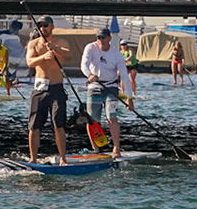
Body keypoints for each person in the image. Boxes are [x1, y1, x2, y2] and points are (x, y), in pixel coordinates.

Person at [81, 26, 135, 156]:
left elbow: (124, 76)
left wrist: (129, 98)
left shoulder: (116, 54)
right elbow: (84, 64)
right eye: (98, 38)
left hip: (111, 88)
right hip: (94, 87)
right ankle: (95, 149)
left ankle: (116, 148)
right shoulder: (90, 48)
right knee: (92, 120)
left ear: (109, 38)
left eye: (103, 38)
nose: (100, 41)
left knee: (112, 117)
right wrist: (89, 75)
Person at [25, 17, 68, 163]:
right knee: (34, 125)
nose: (43, 28)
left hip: (56, 87)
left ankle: (62, 158)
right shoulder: (34, 44)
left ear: (52, 27)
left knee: (59, 124)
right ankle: (33, 158)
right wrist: (43, 57)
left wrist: (54, 48)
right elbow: (30, 62)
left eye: (46, 25)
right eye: (40, 26)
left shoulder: (60, 42)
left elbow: (69, 55)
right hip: (40, 88)